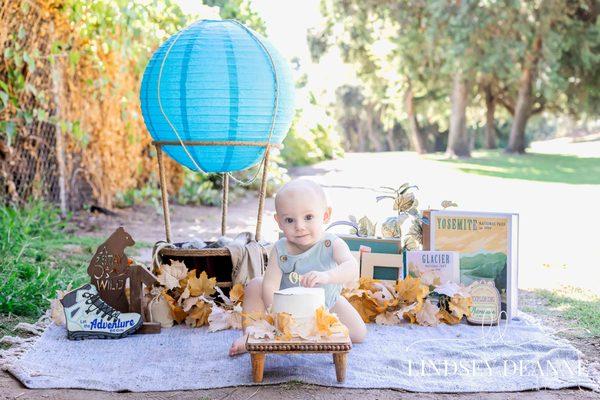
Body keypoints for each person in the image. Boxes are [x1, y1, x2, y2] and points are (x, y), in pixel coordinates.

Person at [229, 178, 367, 356]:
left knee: (358, 333)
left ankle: (318, 332)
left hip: (324, 307)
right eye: (289, 220)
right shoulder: (280, 249)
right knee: (256, 285)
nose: (299, 227)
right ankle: (253, 334)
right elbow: (270, 284)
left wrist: (327, 276)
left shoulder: (331, 244)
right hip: (285, 308)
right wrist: (276, 315)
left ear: (325, 215)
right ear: (279, 222)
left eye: (308, 217)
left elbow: (351, 268)